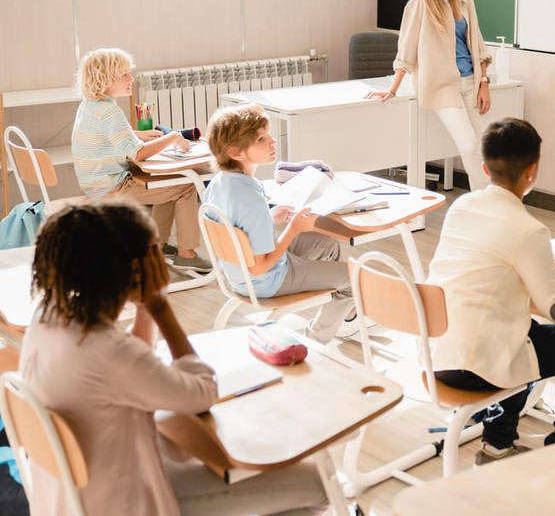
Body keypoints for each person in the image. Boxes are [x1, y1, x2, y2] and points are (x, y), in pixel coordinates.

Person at [19, 201, 328, 515]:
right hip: (132, 502)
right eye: (155, 253)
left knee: (193, 451)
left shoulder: (49, 318)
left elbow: (132, 362)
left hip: (77, 497)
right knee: (319, 482)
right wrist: (160, 308)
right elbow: (202, 394)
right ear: (137, 268)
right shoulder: (107, 351)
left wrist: (144, 307)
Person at [428, 118, 555, 464]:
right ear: (532, 171)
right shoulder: (528, 229)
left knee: (525, 331)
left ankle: (498, 443)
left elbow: (492, 254)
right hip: (479, 369)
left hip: (438, 354)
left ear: (484, 167)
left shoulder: (462, 207)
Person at [203, 103, 356, 342]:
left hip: (234, 274)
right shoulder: (250, 198)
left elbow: (239, 228)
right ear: (236, 152)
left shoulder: (220, 183)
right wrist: (293, 228)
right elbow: (260, 266)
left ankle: (341, 309)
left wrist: (270, 218)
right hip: (266, 280)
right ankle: (318, 338)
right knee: (354, 276)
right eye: (262, 139)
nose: (273, 142)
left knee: (326, 245)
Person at [364, 0, 492, 191]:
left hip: (471, 81)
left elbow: (477, 42)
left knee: (486, 146)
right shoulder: (419, 4)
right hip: (442, 87)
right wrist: (392, 88)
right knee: (467, 146)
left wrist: (483, 82)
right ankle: (484, 201)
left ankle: (492, 199)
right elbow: (407, 49)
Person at [71, 48, 210, 272]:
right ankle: (187, 253)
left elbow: (106, 134)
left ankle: (158, 245)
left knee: (168, 181)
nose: (131, 79)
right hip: (111, 188)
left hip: (94, 183)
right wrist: (173, 137)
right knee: (186, 186)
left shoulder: (89, 105)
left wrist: (134, 134)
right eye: (124, 74)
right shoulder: (109, 111)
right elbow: (139, 154)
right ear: (106, 80)